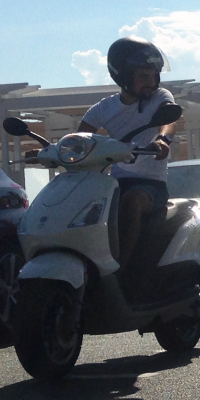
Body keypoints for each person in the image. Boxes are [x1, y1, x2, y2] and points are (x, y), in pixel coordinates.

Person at [78, 37, 176, 264]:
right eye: (143, 76)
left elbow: (169, 119)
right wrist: (50, 151)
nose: (151, 82)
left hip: (151, 186)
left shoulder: (161, 98)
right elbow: (79, 139)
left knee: (131, 202)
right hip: (114, 184)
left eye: (154, 75)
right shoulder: (102, 109)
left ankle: (122, 267)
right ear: (122, 76)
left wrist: (162, 140)